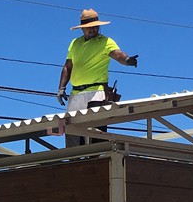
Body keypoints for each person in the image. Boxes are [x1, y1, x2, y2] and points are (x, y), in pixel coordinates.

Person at [57, 9, 138, 146]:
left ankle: (96, 159)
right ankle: (74, 161)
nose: (93, 29)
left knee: (96, 131)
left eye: (95, 26)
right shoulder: (75, 43)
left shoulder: (105, 42)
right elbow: (67, 66)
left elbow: (117, 54)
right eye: (89, 27)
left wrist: (127, 60)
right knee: (72, 131)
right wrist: (61, 88)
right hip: (76, 93)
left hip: (96, 92)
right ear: (82, 29)